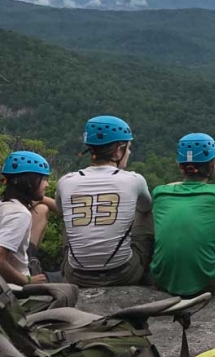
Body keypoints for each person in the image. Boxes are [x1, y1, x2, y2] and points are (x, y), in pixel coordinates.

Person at [55, 116, 154, 286]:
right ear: (118, 150)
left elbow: (60, 212)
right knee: (145, 212)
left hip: (76, 276)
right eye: (128, 148)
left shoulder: (66, 181)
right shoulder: (134, 180)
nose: (129, 153)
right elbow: (146, 208)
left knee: (68, 216)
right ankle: (149, 272)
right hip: (123, 273)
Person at [151, 133, 215, 297]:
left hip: (161, 280)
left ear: (180, 166)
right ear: (213, 165)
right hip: (206, 282)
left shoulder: (160, 193)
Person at [0, 151, 51, 286]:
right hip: (16, 287)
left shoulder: (6, 205)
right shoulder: (19, 213)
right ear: (29, 182)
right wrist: (27, 280)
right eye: (44, 179)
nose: (47, 185)